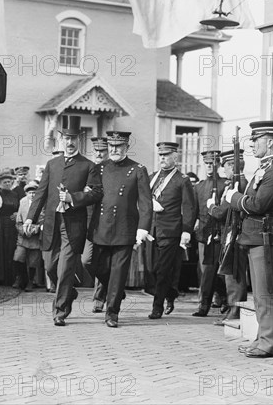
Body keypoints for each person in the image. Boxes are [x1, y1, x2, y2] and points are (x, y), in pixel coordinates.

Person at [24, 115, 103, 327]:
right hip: (51, 224)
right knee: (50, 266)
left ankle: (60, 311)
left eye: (74, 139)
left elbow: (97, 193)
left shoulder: (88, 166)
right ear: (61, 139)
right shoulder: (52, 164)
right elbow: (40, 194)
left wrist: (73, 198)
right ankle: (70, 291)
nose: (69, 143)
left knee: (66, 268)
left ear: (79, 140)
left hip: (73, 225)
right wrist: (30, 218)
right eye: (66, 138)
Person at [225, 121, 273, 358]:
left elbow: (258, 204)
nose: (251, 144)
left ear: (270, 142)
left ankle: (269, 343)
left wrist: (234, 197)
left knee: (266, 294)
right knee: (260, 294)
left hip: (266, 239)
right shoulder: (264, 169)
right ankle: (263, 339)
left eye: (256, 140)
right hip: (256, 239)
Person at [87, 131, 152, 328]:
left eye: (119, 146)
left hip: (125, 229)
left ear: (126, 147)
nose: (114, 150)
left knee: (118, 272)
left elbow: (146, 202)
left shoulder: (138, 169)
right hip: (101, 228)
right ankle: (116, 289)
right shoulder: (99, 169)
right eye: (112, 146)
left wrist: (143, 228)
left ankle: (112, 313)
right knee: (93, 265)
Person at [147, 142, 195, 319]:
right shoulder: (152, 177)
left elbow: (189, 206)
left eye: (166, 155)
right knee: (151, 269)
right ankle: (170, 293)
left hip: (170, 230)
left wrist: (186, 230)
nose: (162, 158)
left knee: (162, 270)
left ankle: (157, 306)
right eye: (160, 155)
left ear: (175, 157)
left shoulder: (182, 180)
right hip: (152, 230)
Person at [207, 149, 249, 326]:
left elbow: (222, 212)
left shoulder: (238, 184)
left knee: (234, 275)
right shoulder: (232, 184)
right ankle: (233, 309)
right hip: (228, 234)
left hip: (235, 235)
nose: (223, 170)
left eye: (225, 166)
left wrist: (211, 207)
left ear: (233, 166)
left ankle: (235, 311)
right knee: (229, 274)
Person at [192, 150, 228, 317]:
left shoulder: (224, 185)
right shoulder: (198, 187)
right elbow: (194, 210)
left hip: (220, 233)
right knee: (205, 270)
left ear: (218, 165)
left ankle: (221, 298)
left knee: (219, 271)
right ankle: (206, 302)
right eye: (206, 163)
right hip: (203, 234)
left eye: (213, 163)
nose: (209, 166)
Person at [81, 136, 109, 313]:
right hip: (88, 222)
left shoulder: (112, 171)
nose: (98, 154)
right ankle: (112, 285)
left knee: (103, 261)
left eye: (102, 151)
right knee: (87, 261)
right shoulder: (88, 169)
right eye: (96, 151)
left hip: (106, 223)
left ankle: (99, 298)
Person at [13, 180, 42, 290]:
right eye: (29, 193)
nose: (32, 195)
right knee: (18, 257)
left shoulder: (42, 203)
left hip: (35, 237)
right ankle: (20, 279)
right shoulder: (23, 202)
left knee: (33, 262)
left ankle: (30, 281)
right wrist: (23, 230)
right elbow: (18, 220)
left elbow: (43, 220)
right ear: (26, 193)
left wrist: (34, 230)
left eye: (34, 192)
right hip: (23, 237)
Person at [0, 170, 20, 286]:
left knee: (11, 250)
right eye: (5, 182)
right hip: (1, 224)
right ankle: (1, 278)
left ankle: (10, 278)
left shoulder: (15, 194)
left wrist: (17, 213)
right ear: (0, 183)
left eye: (9, 182)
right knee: (2, 250)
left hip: (12, 226)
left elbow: (18, 207)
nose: (7, 184)